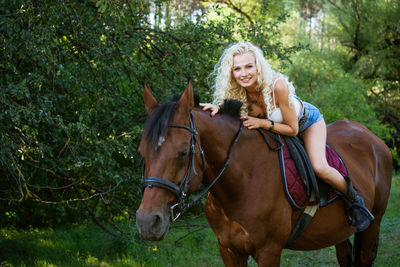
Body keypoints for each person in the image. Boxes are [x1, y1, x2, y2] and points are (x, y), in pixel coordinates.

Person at [200, 41, 374, 232]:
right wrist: (219, 109)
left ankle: (356, 201)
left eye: (249, 66)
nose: (244, 73)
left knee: (320, 167)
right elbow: (233, 118)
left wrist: (263, 123)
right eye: (237, 69)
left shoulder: (277, 85)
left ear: (258, 66)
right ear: (231, 72)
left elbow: (292, 130)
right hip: (274, 128)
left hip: (305, 124)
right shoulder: (236, 91)